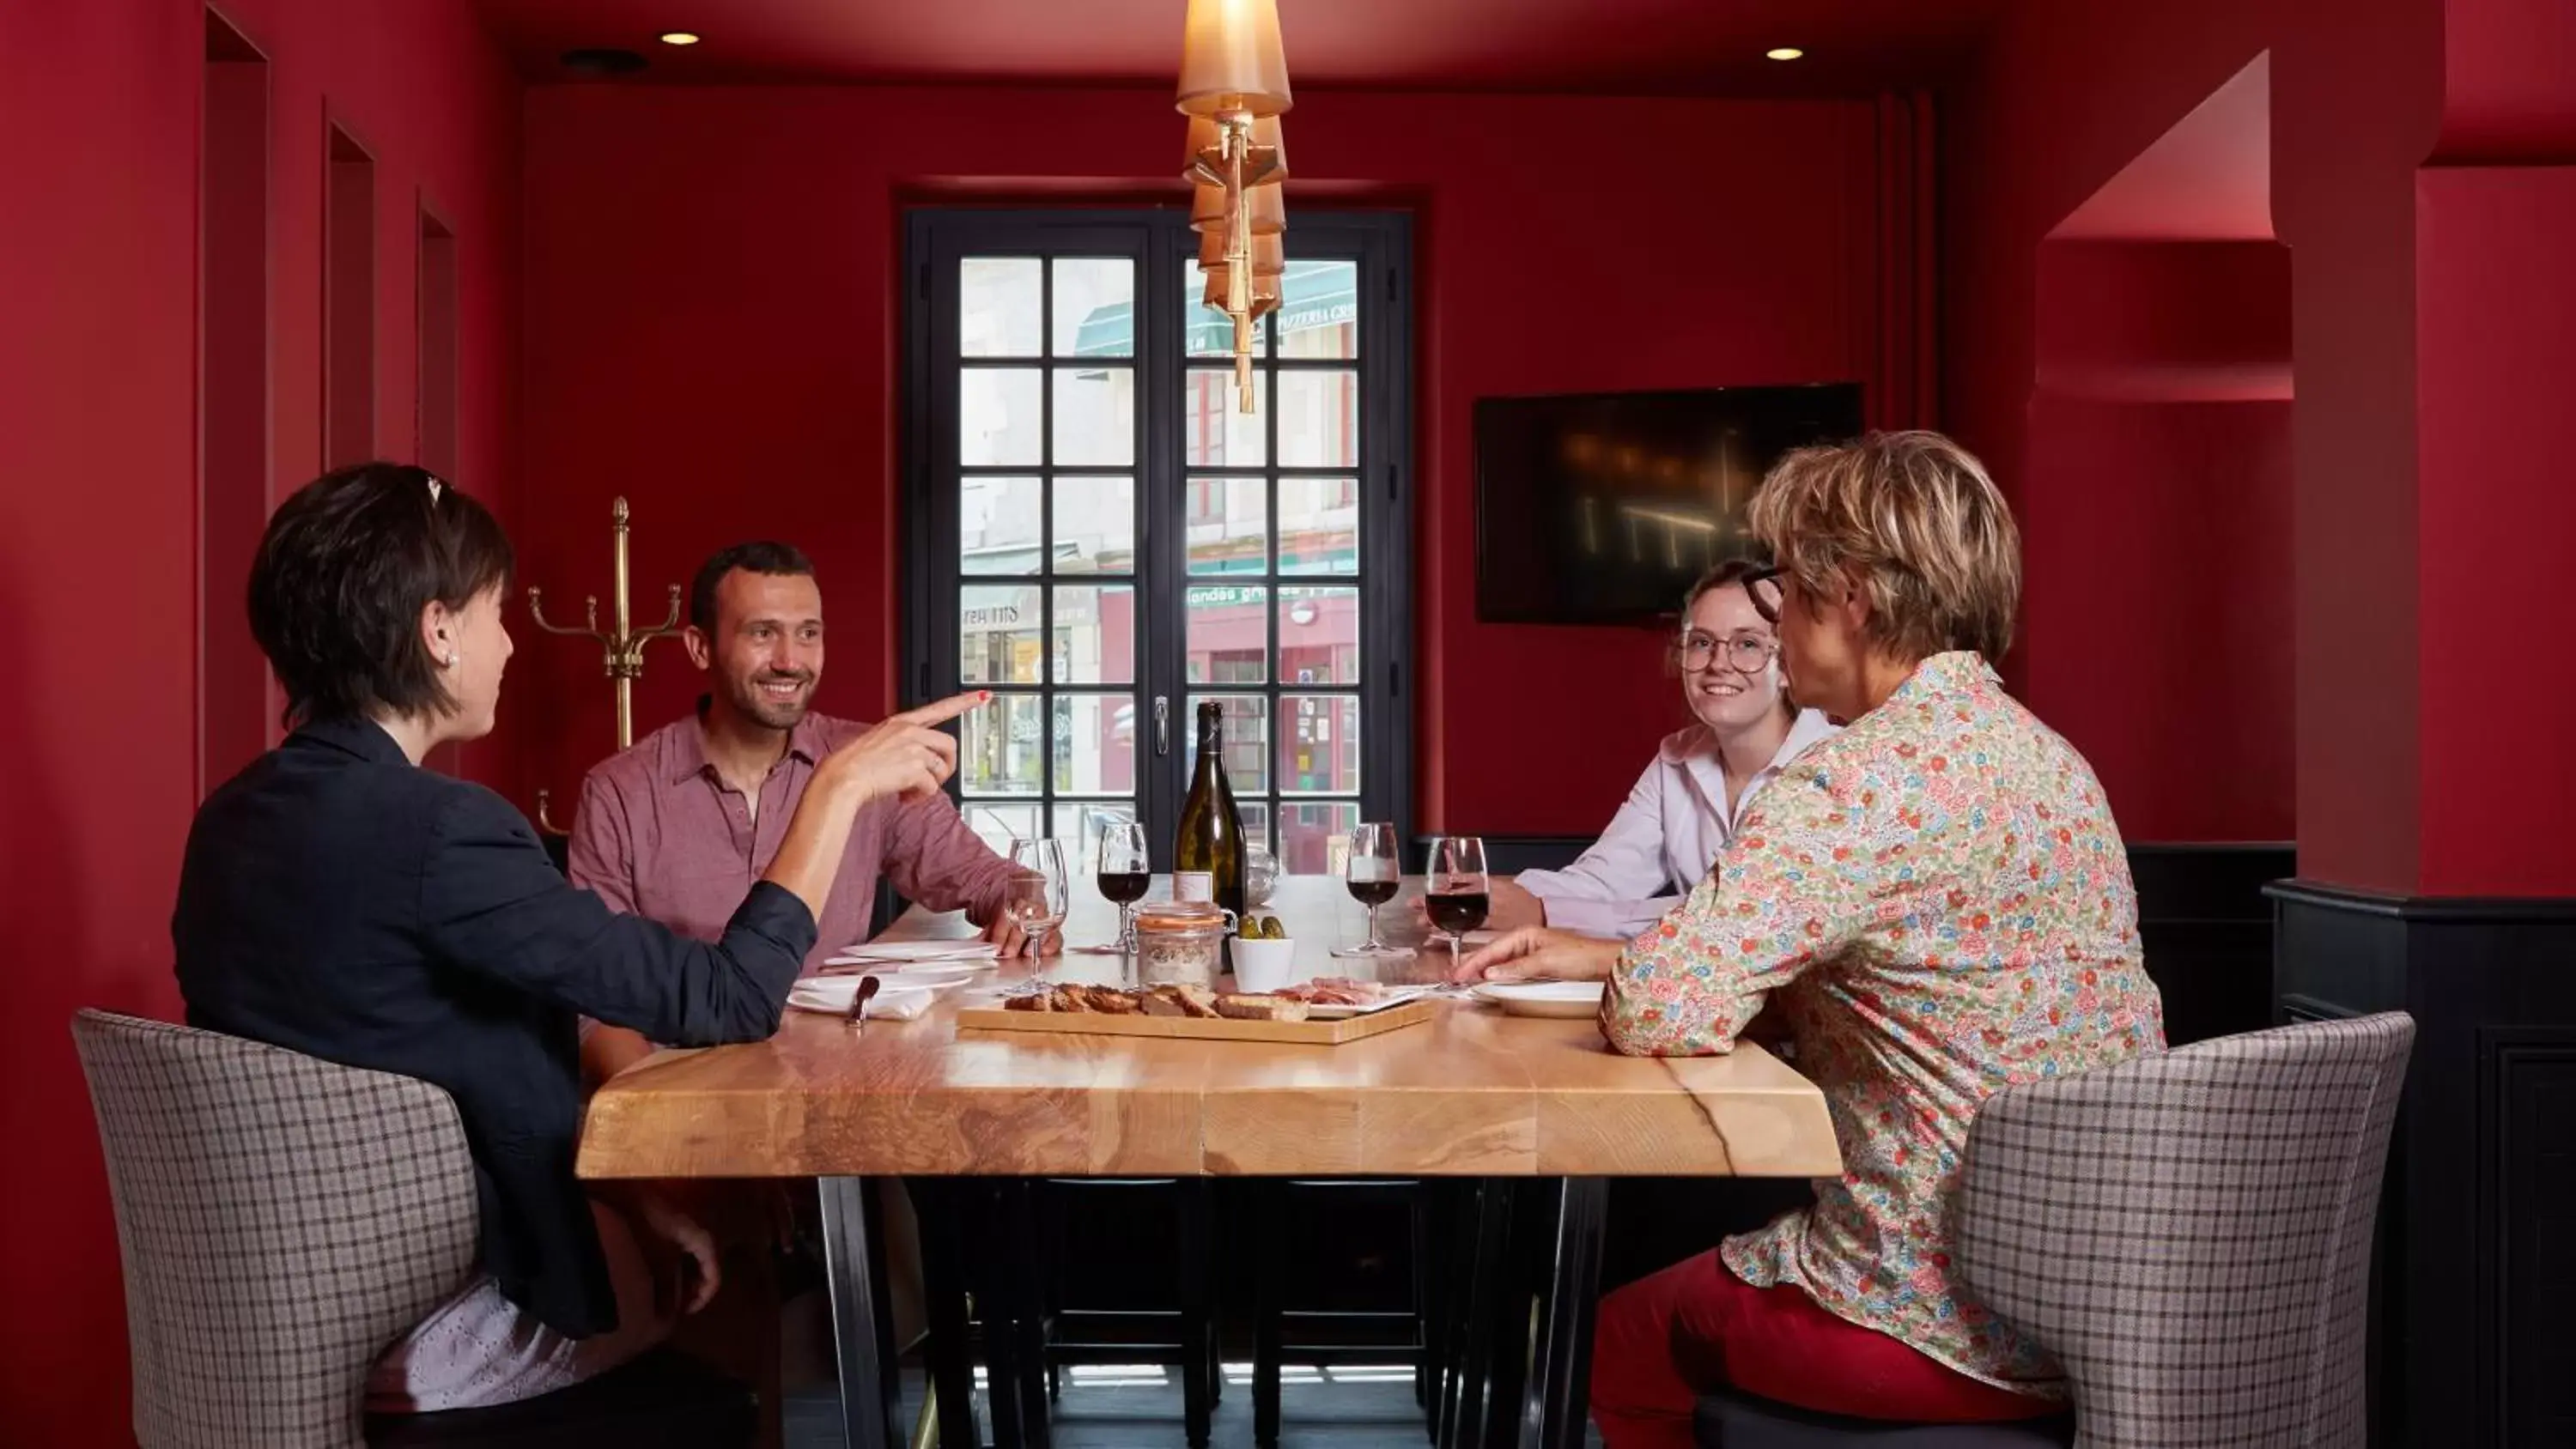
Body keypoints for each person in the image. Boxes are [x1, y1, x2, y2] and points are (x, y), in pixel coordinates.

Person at [173, 463, 985, 1412]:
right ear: (437, 631)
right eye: (496, 611)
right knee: (729, 1308)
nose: (512, 643)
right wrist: (840, 787)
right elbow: (729, 997)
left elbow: (435, 1056)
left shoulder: (226, 822)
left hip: (267, 1310)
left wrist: (640, 1199)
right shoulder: (448, 831)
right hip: (440, 1323)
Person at [1458, 432, 2166, 1442]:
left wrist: (1635, 967)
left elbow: (1661, 1004)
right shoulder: (2052, 759)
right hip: (2108, 1307)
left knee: (1615, 1332)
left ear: (1857, 597)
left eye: (1787, 584)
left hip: (1937, 1316)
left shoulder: (1845, 782)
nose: (1775, 612)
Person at [570, 541, 1054, 1088]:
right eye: (762, 632)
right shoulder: (618, 791)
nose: (789, 660)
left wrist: (1022, 904)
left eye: (808, 633)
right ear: (700, 647)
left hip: (836, 1088)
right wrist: (660, 1127)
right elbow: (595, 1004)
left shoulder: (867, 763)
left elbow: (991, 879)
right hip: (685, 1091)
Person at [1485, 559, 1837, 938]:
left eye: (1747, 644)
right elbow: (1604, 882)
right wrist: (1502, 898)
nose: (1718, 664)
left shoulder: (1832, 768)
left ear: (1786, 666)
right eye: (1702, 643)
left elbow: (1737, 919)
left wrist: (1545, 913)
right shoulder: (1676, 759)